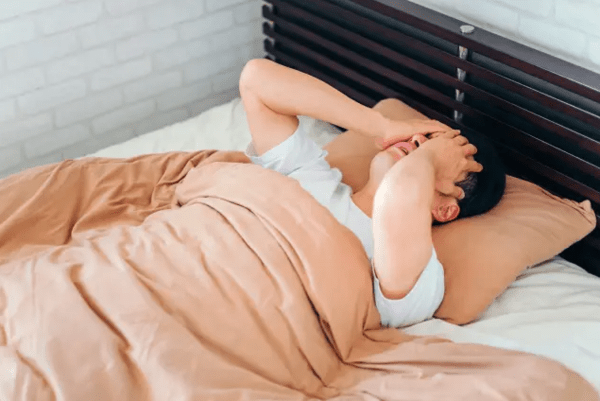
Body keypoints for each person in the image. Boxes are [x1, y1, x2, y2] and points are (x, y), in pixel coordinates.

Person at [239, 58, 505, 328]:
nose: (418, 141)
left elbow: (400, 193)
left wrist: (429, 157)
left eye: (440, 156)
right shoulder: (312, 176)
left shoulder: (417, 273)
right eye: (426, 138)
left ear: (445, 210)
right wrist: (384, 126)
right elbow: (255, 79)